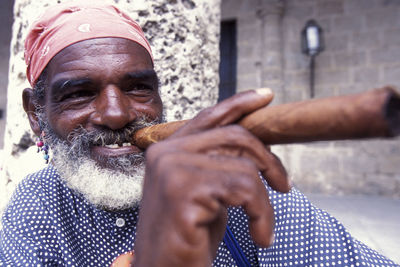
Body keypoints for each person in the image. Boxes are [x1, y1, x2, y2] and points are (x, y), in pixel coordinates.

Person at [0, 2, 398, 266]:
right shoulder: (37, 208)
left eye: (138, 87)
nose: (117, 114)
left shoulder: (233, 182)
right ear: (37, 115)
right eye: (80, 93)